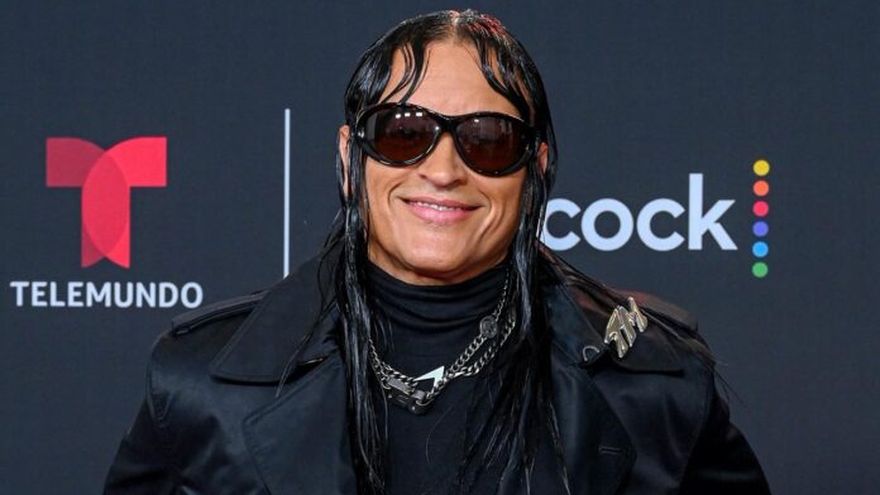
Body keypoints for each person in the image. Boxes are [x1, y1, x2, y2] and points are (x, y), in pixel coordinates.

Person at [104, 9, 771, 495]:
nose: (444, 170)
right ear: (350, 158)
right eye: (403, 133)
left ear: (536, 167)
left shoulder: (653, 386)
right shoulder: (202, 384)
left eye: (487, 140)